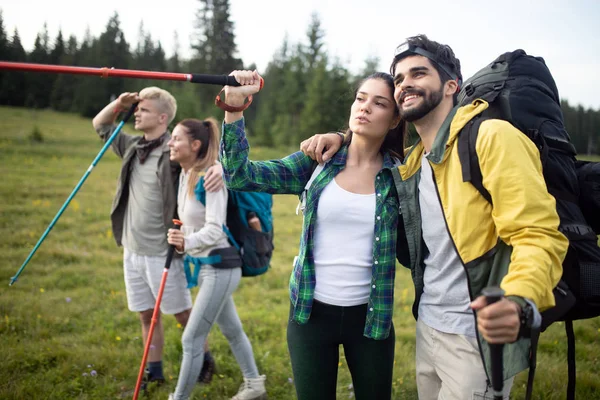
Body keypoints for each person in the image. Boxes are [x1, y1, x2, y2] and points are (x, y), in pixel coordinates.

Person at [300, 34, 568, 399]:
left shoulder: (491, 137)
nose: (405, 84)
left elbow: (537, 233)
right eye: (398, 79)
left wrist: (518, 300)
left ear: (450, 86)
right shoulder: (413, 162)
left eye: (418, 74)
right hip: (428, 325)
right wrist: (340, 137)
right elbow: (371, 147)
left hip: (476, 335)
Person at [219, 70, 405, 400]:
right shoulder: (318, 162)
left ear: (393, 120)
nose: (364, 107)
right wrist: (234, 111)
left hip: (371, 317)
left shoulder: (401, 176)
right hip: (310, 313)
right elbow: (239, 176)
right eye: (360, 98)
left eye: (379, 103)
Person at [92, 87, 222, 386]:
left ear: (163, 117)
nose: (137, 113)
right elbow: (101, 126)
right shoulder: (132, 146)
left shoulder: (174, 151)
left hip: (161, 250)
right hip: (132, 247)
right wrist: (118, 103)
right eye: (136, 109)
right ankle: (155, 372)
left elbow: (205, 156)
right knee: (145, 314)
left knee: (181, 313)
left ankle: (204, 359)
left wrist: (219, 170)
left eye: (144, 109)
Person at [166, 117, 266, 400]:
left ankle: (178, 398)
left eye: (176, 138)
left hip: (221, 266)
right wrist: (182, 240)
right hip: (209, 266)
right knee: (232, 330)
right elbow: (193, 226)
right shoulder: (185, 174)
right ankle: (254, 385)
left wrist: (187, 240)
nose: (171, 143)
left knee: (191, 338)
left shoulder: (210, 177)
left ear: (195, 144)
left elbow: (213, 229)